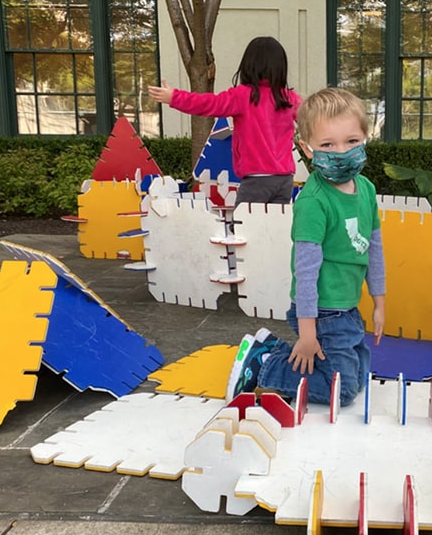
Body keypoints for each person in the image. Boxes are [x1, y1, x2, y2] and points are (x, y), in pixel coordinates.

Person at [225, 87, 386, 407]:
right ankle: (264, 366)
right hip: (321, 311)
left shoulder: (366, 189)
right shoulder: (314, 202)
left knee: (361, 372)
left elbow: (374, 249)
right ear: (307, 149)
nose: (341, 152)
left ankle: (270, 350)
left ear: (366, 138)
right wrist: (307, 332)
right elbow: (306, 271)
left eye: (351, 141)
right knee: (343, 390)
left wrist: (379, 302)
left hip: (347, 308)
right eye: (328, 144)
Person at [147, 36, 301, 205]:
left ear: (248, 66)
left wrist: (174, 98)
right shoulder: (289, 99)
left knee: (243, 227)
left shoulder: (242, 96)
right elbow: (313, 118)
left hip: (256, 179)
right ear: (280, 67)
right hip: (285, 179)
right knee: (274, 227)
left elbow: (208, 104)